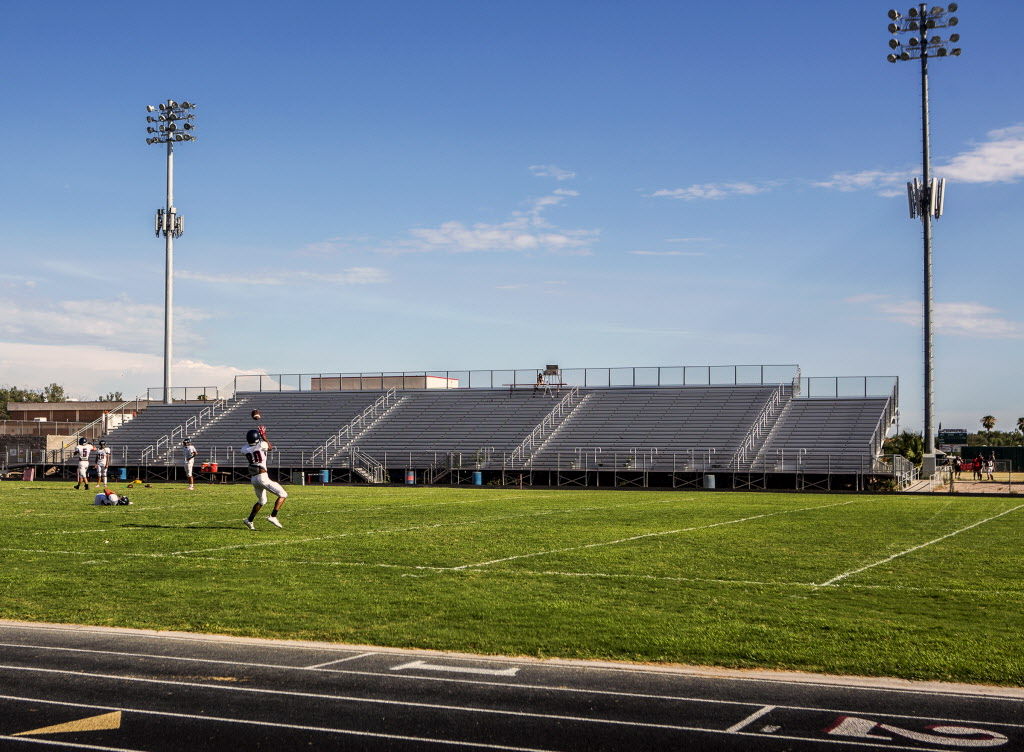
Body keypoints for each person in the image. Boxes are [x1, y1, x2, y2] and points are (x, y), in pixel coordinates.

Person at [241, 428, 287, 530]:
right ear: (257, 439)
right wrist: (264, 435)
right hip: (262, 477)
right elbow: (270, 447)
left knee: (262, 500)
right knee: (283, 494)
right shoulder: (261, 445)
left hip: (254, 478)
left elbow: (249, 449)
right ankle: (273, 516)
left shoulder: (244, 449)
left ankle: (249, 520)